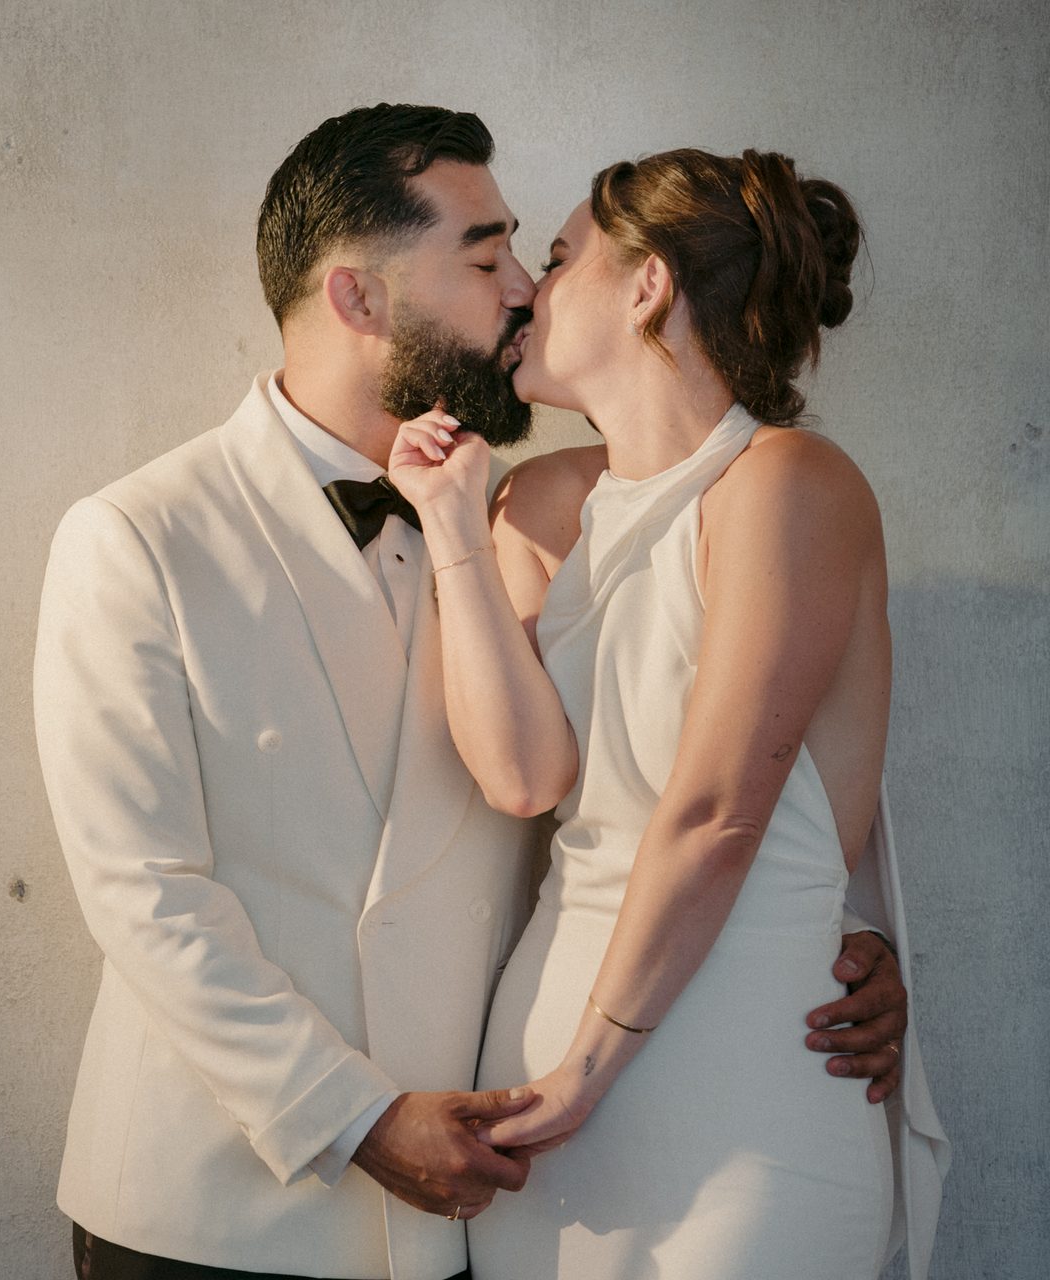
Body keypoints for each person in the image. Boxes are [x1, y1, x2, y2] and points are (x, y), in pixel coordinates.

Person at [32, 107, 911, 1280]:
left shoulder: (511, 510)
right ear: (359, 299)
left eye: (535, 260)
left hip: (472, 1203)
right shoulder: (138, 536)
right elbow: (143, 892)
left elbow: (648, 779)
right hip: (221, 1207)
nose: (520, 295)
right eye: (489, 260)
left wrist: (832, 928)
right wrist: (354, 1117)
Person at [386, 148, 949, 1277]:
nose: (527, 294)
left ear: (646, 286)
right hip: (544, 1113)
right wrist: (452, 524)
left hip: (742, 1093)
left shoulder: (790, 482)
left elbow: (715, 812)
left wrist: (590, 1067)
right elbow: (523, 778)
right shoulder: (537, 500)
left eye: (555, 260)